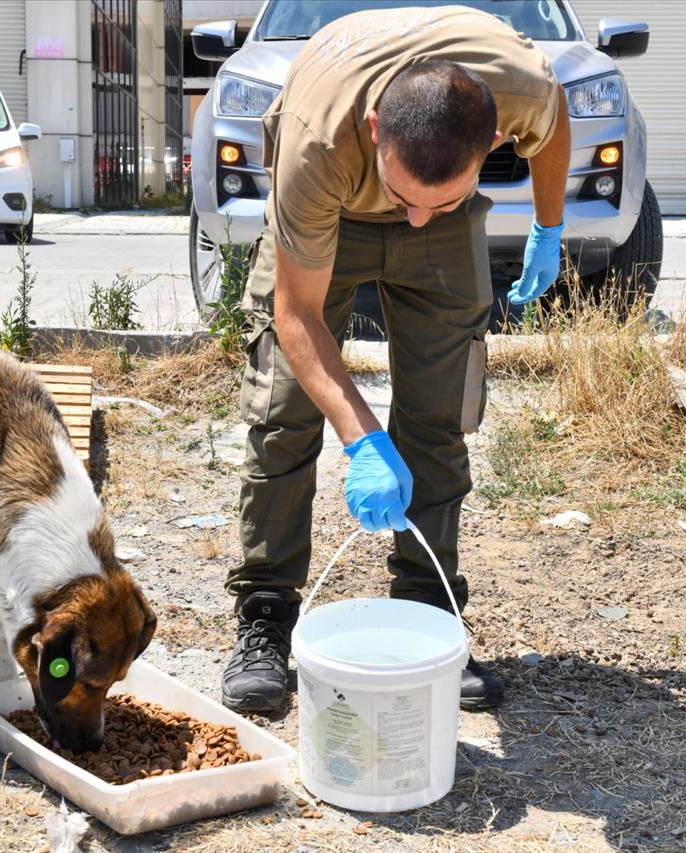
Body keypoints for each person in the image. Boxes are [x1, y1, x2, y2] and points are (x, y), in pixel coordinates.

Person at [220, 6, 571, 714]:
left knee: (440, 417)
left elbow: (557, 124)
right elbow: (297, 318)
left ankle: (429, 613)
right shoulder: (317, 143)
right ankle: (265, 616)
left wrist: (548, 222)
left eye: (440, 200)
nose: (414, 218)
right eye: (409, 199)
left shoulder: (521, 84)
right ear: (377, 129)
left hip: (433, 205)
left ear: (494, 139)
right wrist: (364, 440)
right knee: (285, 409)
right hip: (335, 211)